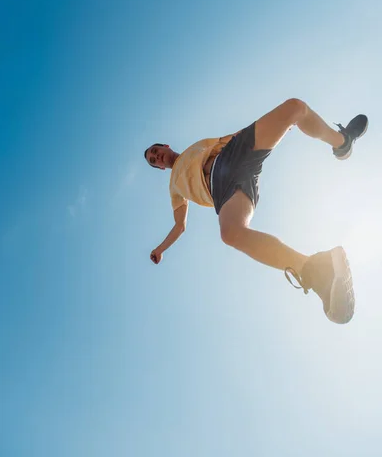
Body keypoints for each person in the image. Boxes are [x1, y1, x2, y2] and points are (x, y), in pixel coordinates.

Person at [144, 99, 368, 324]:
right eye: (154, 161)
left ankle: (342, 142)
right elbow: (179, 225)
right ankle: (317, 272)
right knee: (230, 233)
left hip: (232, 153)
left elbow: (230, 138)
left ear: (164, 145)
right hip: (222, 189)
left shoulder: (196, 146)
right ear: (160, 168)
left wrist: (277, 125)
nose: (157, 157)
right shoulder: (174, 188)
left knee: (295, 108)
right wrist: (160, 249)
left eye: (155, 151)